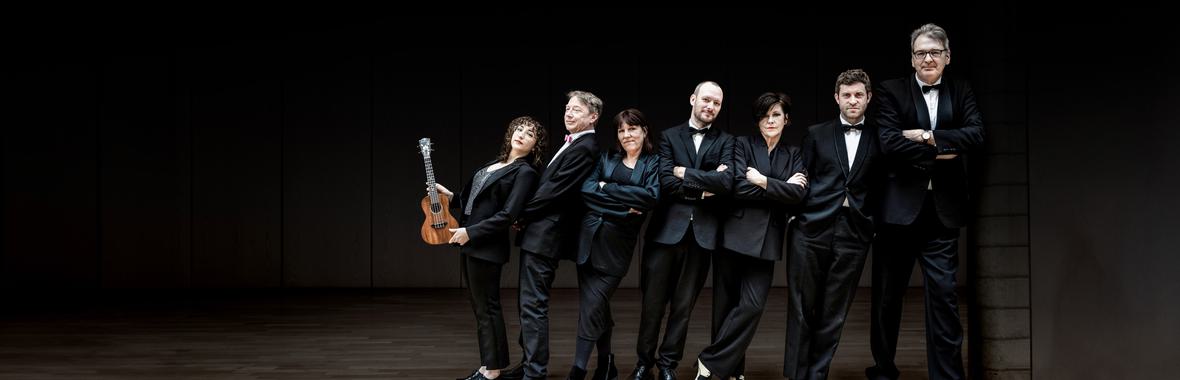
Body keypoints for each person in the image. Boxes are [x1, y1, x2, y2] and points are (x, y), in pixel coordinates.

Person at [866, 23, 985, 380]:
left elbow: (976, 134)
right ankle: (884, 371)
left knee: (945, 301)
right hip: (896, 214)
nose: (928, 58)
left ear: (948, 57)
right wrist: (945, 147)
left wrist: (926, 137)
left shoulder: (961, 89)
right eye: (921, 53)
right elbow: (888, 142)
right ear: (912, 58)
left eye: (934, 52)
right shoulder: (891, 91)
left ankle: (947, 377)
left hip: (941, 215)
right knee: (887, 301)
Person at [696, 92, 808, 380]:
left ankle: (710, 362)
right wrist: (779, 187)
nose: (770, 121)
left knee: (752, 306)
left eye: (776, 115)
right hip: (733, 235)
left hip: (767, 241)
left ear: (787, 119)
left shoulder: (793, 153)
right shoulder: (741, 144)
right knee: (725, 306)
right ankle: (733, 371)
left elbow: (798, 195)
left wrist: (761, 180)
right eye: (764, 115)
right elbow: (734, 187)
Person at [783, 69, 883, 380]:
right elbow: (805, 176)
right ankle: (798, 376)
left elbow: (883, 185)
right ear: (836, 98)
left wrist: (873, 223)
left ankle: (817, 374)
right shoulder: (816, 133)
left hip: (854, 232)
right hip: (811, 229)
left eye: (858, 95)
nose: (853, 100)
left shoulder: (880, 136)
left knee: (834, 312)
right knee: (802, 308)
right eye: (847, 95)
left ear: (868, 98)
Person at [631, 81, 734, 380]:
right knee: (652, 304)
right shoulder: (669, 136)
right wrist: (705, 185)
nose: (710, 106)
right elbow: (665, 181)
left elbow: (726, 184)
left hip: (702, 237)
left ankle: (667, 364)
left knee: (683, 306)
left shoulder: (727, 141)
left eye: (716, 103)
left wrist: (685, 173)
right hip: (665, 232)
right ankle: (642, 362)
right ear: (693, 99)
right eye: (706, 100)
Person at [434, 116, 546, 380]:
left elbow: (508, 215)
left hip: (486, 245)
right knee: (481, 308)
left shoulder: (525, 173)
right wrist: (450, 197)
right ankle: (489, 366)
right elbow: (469, 200)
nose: (522, 134)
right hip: (469, 242)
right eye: (519, 129)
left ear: (535, 146)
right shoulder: (493, 165)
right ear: (510, 132)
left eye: (530, 134)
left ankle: (492, 371)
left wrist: (470, 232)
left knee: (488, 308)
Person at [503, 91, 603, 380]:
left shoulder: (586, 147)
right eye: (567, 109)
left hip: (547, 235)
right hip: (540, 233)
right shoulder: (574, 143)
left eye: (577, 110)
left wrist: (520, 215)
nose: (568, 114)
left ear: (593, 117)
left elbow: (552, 192)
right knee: (528, 303)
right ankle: (529, 363)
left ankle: (535, 372)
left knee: (533, 305)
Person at [567, 109, 661, 380]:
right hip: (588, 242)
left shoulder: (652, 164)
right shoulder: (606, 157)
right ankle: (607, 364)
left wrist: (606, 187)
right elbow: (586, 191)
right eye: (621, 130)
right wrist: (622, 208)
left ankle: (578, 370)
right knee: (597, 306)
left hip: (616, 248)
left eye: (632, 129)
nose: (627, 135)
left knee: (592, 305)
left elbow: (650, 197)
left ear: (644, 131)